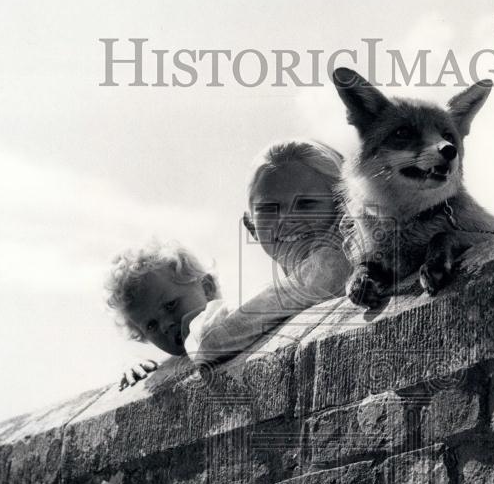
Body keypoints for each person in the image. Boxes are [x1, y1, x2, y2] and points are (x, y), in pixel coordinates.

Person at [187, 139, 352, 364]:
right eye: (268, 209)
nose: (286, 219)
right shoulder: (300, 285)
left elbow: (210, 339)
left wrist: (198, 324)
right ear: (251, 226)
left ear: (344, 204)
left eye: (306, 204)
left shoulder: (338, 261)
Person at [105, 239, 219, 389]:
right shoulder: (171, 364)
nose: (165, 326)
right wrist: (133, 366)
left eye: (171, 305)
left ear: (206, 288)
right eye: (151, 325)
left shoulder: (236, 317)